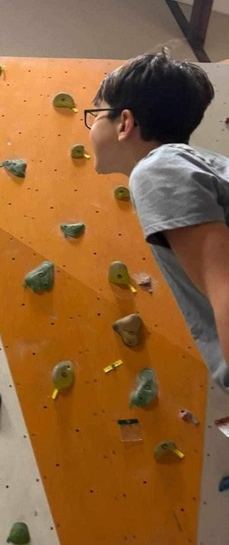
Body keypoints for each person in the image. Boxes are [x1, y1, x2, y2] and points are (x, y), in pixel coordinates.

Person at [85, 49, 229, 390]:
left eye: (96, 114)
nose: (90, 130)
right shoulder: (199, 163)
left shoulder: (157, 169)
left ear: (125, 123)